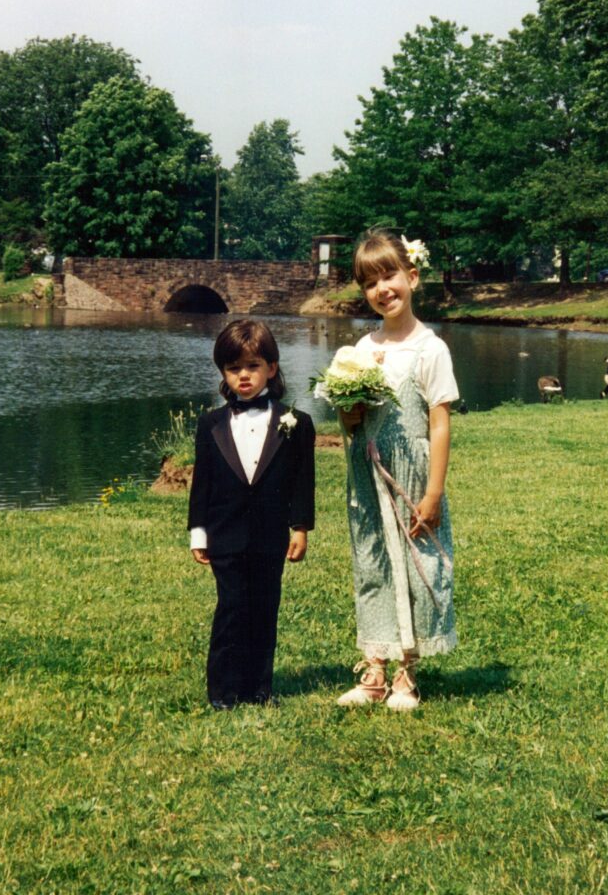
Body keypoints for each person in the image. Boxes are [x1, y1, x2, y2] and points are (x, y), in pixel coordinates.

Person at [337, 229, 459, 710]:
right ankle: (374, 665)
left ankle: (408, 669)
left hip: (410, 472)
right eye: (370, 283)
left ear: (412, 276)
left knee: (414, 564)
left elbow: (439, 423)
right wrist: (347, 414)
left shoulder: (431, 348)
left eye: (390, 276)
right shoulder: (360, 351)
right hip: (368, 475)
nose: (382, 289)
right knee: (373, 563)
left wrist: (433, 493)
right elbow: (352, 417)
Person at [188, 319, 315, 710]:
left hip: (269, 536)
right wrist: (198, 533)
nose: (243, 376)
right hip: (224, 535)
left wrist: (300, 527)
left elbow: (301, 482)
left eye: (253, 366)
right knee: (231, 609)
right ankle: (223, 692)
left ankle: (260, 690)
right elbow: (202, 483)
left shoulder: (296, 422)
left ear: (271, 369)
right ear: (223, 373)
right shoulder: (211, 424)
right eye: (233, 368)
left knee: (264, 608)